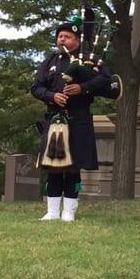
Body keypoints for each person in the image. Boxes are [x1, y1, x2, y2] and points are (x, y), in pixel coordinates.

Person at [31, 22, 111, 221]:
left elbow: (106, 80)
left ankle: (69, 212)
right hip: (55, 118)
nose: (61, 39)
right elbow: (36, 88)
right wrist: (51, 96)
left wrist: (82, 88)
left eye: (66, 36)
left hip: (78, 118)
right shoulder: (50, 60)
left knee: (73, 167)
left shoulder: (88, 60)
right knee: (54, 166)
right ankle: (51, 211)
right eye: (59, 36)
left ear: (77, 40)